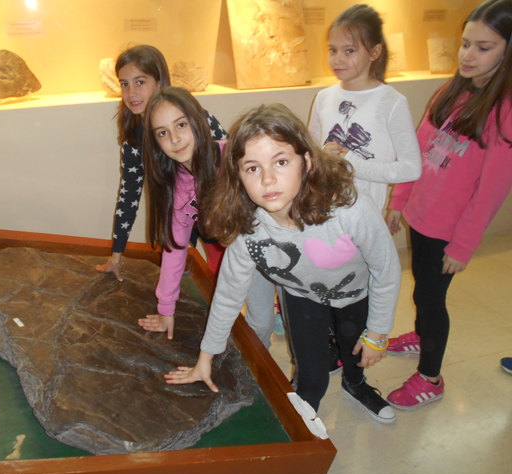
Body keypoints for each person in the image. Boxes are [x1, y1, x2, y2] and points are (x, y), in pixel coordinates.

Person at [165, 103, 401, 424]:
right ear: (238, 176)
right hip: (303, 296)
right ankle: (303, 417)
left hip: (356, 293)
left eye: (280, 162)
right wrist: (205, 359)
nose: (267, 179)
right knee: (311, 376)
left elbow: (386, 269)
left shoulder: (349, 209)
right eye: (252, 168)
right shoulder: (248, 229)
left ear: (307, 161)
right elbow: (228, 294)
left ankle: (355, 384)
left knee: (355, 351)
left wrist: (377, 333)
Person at [385, 0, 512, 410]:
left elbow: (490, 192)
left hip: (449, 230)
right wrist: (400, 200)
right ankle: (422, 335)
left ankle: (430, 377)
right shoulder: (451, 91)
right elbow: (416, 151)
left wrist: (463, 246)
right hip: (421, 216)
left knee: (431, 299)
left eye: (484, 47)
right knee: (422, 289)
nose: (468, 55)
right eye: (465, 43)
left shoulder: (505, 112)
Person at [307, 4, 421, 374]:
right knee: (324, 284)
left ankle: (356, 361)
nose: (337, 59)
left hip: (364, 219)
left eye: (349, 50)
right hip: (324, 215)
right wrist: (320, 159)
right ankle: (330, 349)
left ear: (374, 52)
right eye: (332, 49)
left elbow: (411, 166)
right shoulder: (324, 97)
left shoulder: (392, 102)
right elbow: (308, 153)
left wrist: (353, 164)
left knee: (357, 295)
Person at [137, 87, 275, 344]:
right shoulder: (176, 187)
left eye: (181, 125)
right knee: (259, 324)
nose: (175, 139)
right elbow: (175, 248)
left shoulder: (233, 156)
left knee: (298, 313)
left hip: (284, 246)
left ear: (198, 120)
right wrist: (166, 309)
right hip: (247, 258)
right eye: (163, 133)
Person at [96, 45, 227, 281]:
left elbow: (230, 162)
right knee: (183, 272)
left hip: (218, 212)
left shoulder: (196, 117)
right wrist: (116, 257)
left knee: (224, 273)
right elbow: (128, 196)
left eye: (140, 82)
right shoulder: (134, 141)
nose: (131, 93)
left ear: (159, 82)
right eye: (124, 84)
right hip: (179, 219)